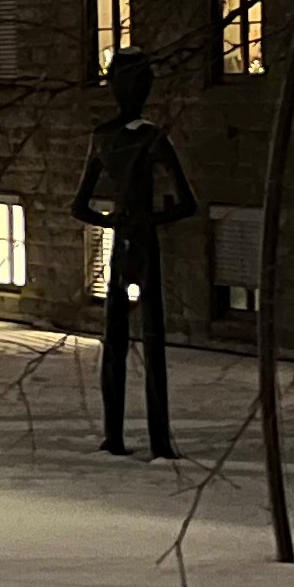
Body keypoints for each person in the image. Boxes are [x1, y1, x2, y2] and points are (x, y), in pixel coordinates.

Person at [71, 49, 201, 459]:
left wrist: (114, 222)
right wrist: (150, 218)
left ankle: (119, 436)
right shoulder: (150, 137)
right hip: (142, 237)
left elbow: (81, 206)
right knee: (149, 338)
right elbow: (187, 203)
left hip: (125, 237)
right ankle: (154, 439)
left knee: (117, 340)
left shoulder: (105, 137)